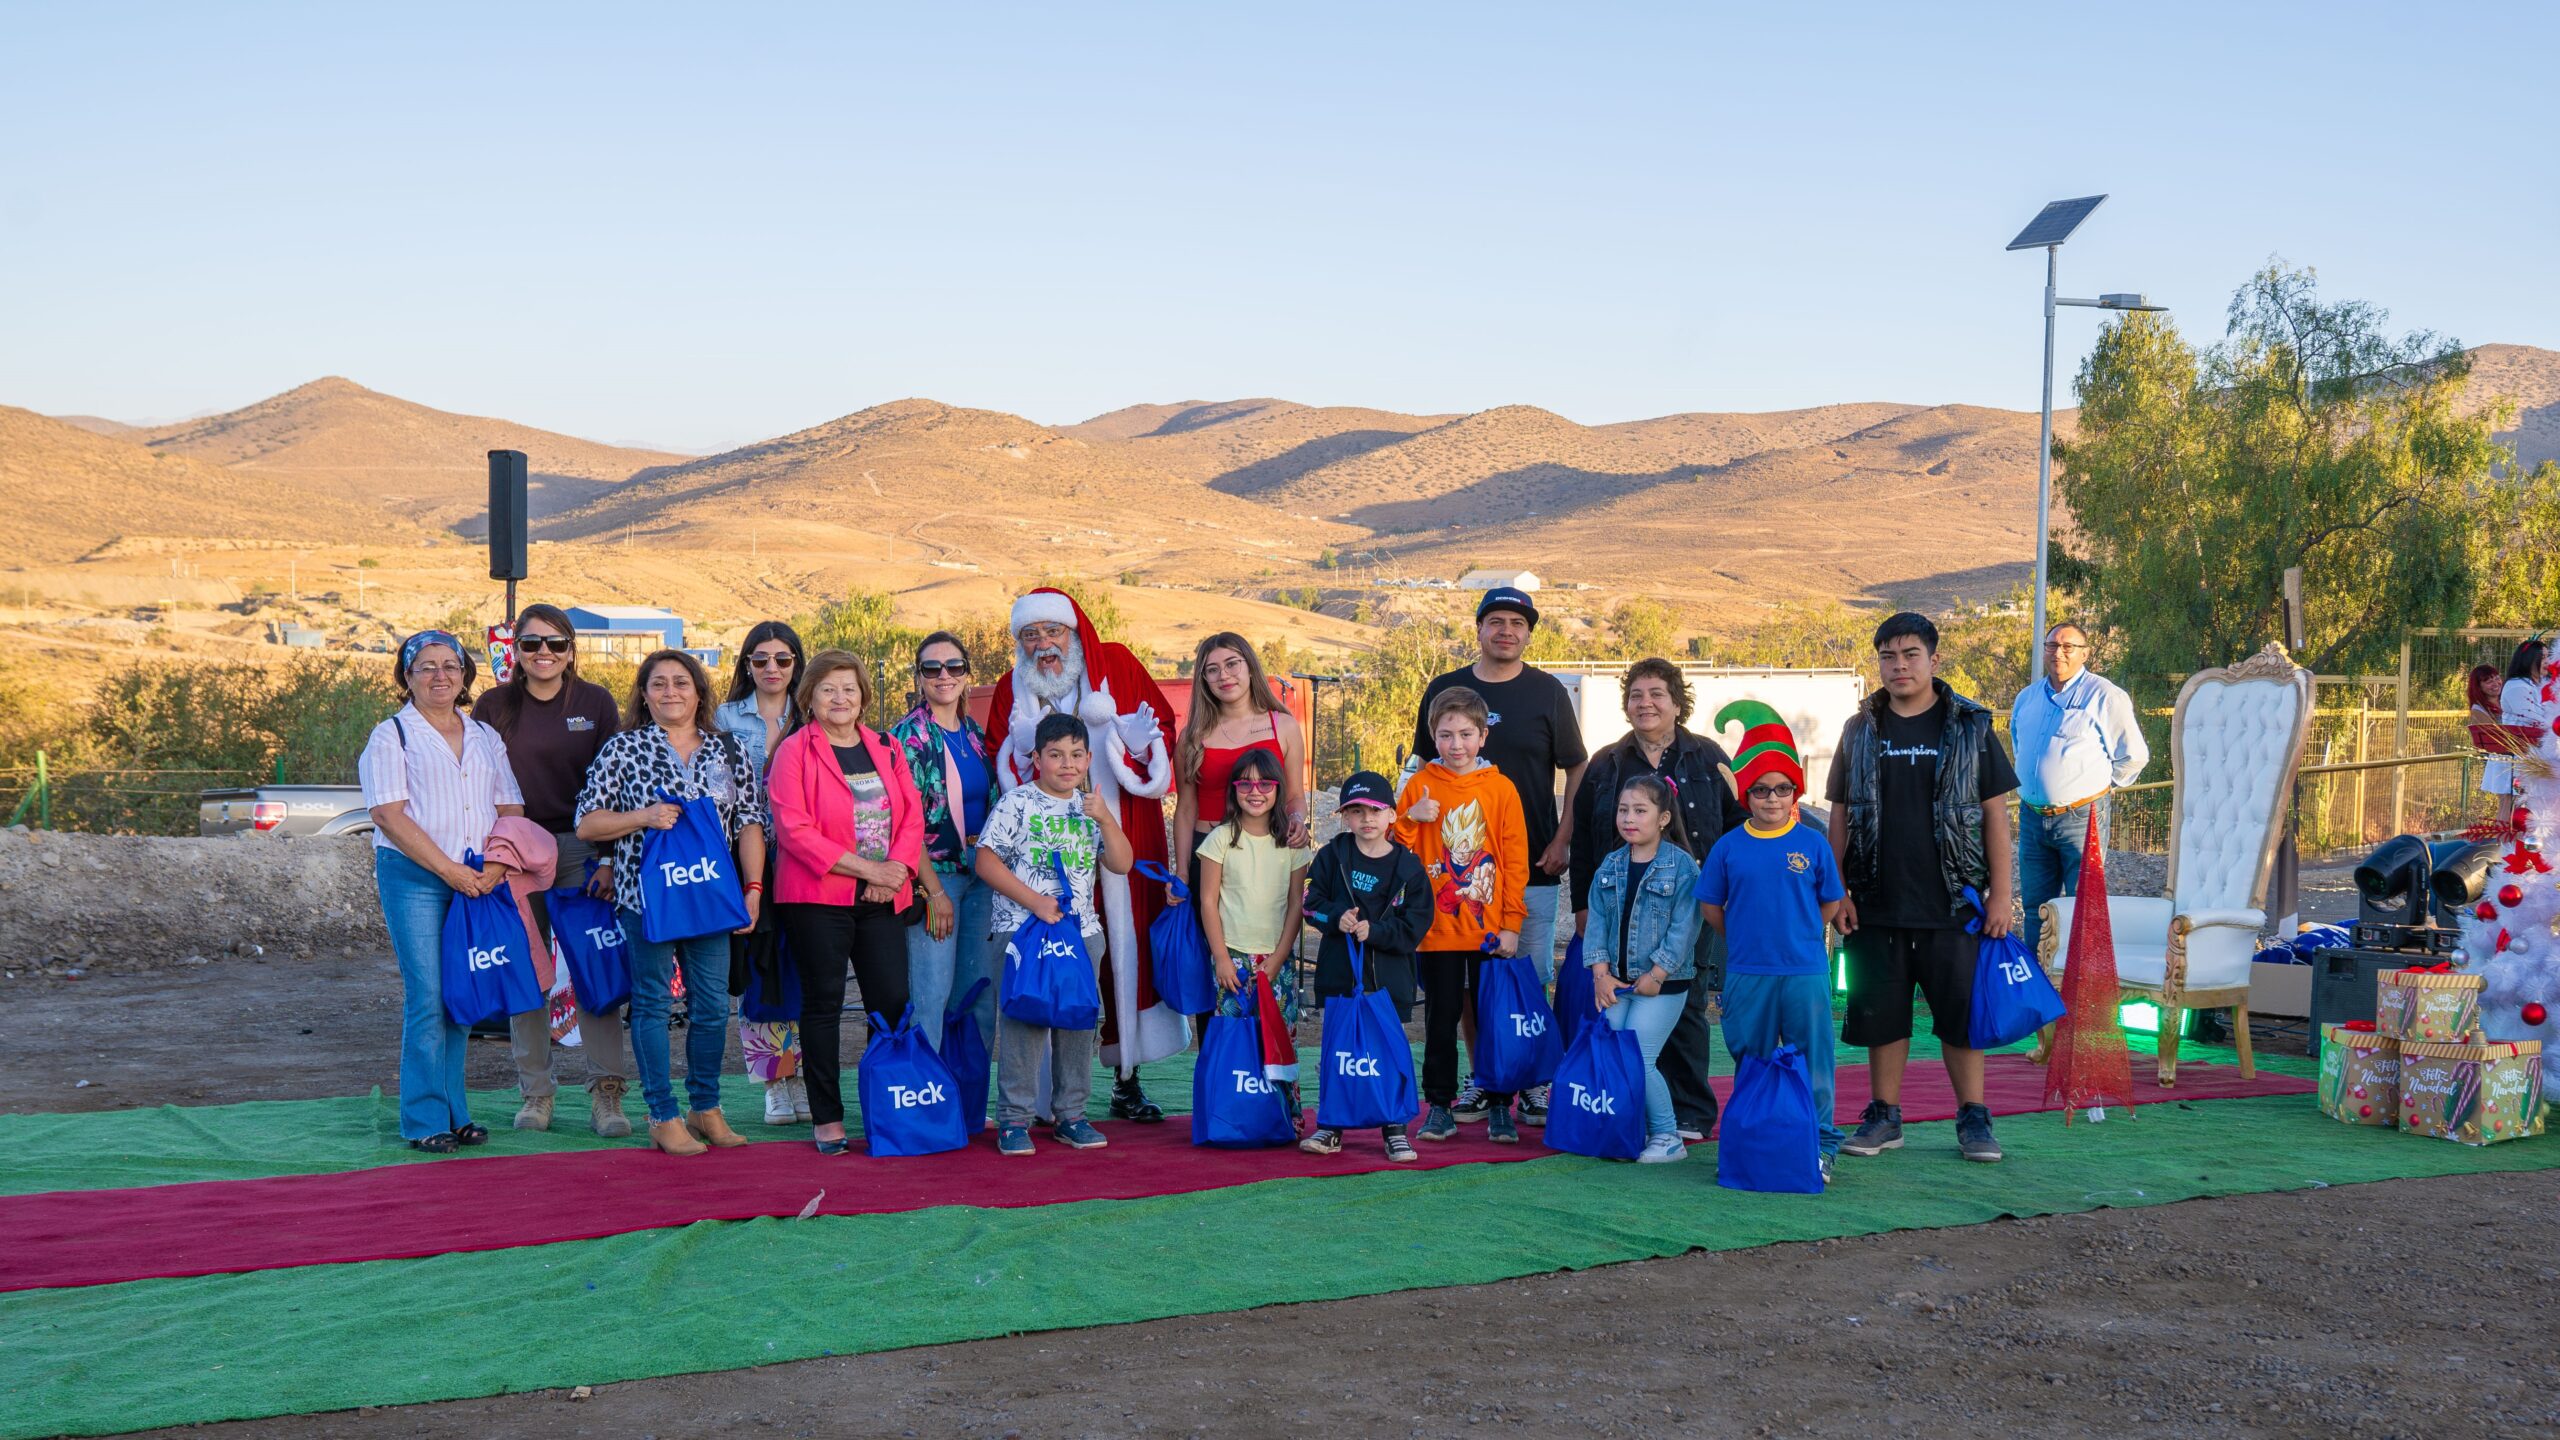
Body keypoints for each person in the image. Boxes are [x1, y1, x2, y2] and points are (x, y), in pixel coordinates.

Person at [983, 587, 1185, 1123]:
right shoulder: (1012, 687)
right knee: (1050, 965)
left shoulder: (1116, 662)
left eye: (1053, 631)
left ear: (1074, 633)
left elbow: (1159, 731)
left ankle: (1126, 1077)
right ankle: (1044, 1098)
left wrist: (1137, 743)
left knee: (1120, 950)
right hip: (1042, 855)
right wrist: (1021, 752)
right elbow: (996, 756)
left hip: (1114, 828)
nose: (1044, 645)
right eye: (1031, 635)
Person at [1825, 612, 2019, 1165]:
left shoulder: (1970, 727)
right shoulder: (1859, 729)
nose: (1899, 666)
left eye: (1910, 654)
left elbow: (1995, 818)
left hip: (1954, 901)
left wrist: (2001, 895)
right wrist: (1839, 890)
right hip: (1875, 899)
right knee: (1880, 1013)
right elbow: (1839, 814)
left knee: (1960, 1014)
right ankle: (1884, 1116)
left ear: (1934, 660)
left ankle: (1974, 1118)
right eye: (1888, 656)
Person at [575, 649, 768, 1157]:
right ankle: (662, 1114)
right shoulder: (622, 750)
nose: (670, 692)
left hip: (710, 898)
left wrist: (753, 889)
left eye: (681, 683)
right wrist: (643, 816)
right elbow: (588, 823)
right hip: (645, 901)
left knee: (710, 1007)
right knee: (654, 1004)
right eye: (658, 684)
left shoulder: (727, 749)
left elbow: (750, 821)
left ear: (699, 692)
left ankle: (706, 1108)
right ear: (643, 694)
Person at [1409, 586, 1586, 1127]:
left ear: (1529, 632)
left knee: (1523, 979)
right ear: (1480, 628)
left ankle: (1529, 1081)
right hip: (1450, 888)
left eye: (1517, 622)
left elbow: (1575, 767)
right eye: (1496, 621)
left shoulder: (1548, 692)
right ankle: (1483, 1081)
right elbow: (1418, 771)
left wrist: (1562, 838)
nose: (1506, 630)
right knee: (1460, 991)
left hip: (1529, 865)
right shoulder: (1445, 688)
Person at [358, 630, 526, 1153]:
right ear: (407, 678)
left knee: (462, 997)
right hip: (416, 879)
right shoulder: (392, 736)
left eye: (450, 665)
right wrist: (448, 870)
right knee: (428, 996)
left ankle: (457, 1113)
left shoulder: (484, 737)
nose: (440, 675)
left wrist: (496, 866)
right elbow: (388, 814)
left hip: (478, 879)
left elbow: (511, 807)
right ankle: (424, 1118)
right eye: (426, 666)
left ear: (464, 675)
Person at [469, 603, 633, 1137]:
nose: (544, 653)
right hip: (516, 849)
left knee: (593, 969)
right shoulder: (493, 706)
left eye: (555, 644)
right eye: (532, 644)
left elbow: (617, 784)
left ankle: (606, 1092)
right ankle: (536, 1092)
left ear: (571, 650)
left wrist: (608, 857)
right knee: (527, 971)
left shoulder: (595, 702)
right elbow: (475, 784)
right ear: (514, 651)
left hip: (584, 848)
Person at [1569, 657, 1748, 1142]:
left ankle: (1689, 1111)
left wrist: (1731, 895)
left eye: (1656, 694)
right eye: (1636, 695)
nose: (1645, 703)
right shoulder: (1605, 762)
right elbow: (1585, 841)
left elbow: (1737, 828)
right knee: (1622, 1005)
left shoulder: (1709, 756)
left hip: (1692, 901)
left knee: (1684, 1002)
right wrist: (1583, 909)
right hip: (1618, 900)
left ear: (1676, 702)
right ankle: (1628, 1107)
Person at [767, 649, 927, 1156]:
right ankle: (828, 1118)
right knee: (823, 1005)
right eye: (829, 689)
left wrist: (894, 871)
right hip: (817, 898)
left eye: (850, 689)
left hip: (883, 895)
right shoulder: (795, 751)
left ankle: (890, 1107)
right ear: (809, 697)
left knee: (892, 1002)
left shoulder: (887, 747)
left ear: (863, 697)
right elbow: (794, 830)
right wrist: (868, 870)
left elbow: (912, 818)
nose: (840, 698)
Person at [1696, 710, 1847, 1183]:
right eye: (1760, 789)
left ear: (1795, 792)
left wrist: (1798, 934)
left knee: (1813, 1059)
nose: (1772, 798)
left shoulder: (1813, 842)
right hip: (1747, 972)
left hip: (1803, 971)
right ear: (1747, 795)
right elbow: (1711, 908)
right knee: (1752, 1058)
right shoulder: (1727, 847)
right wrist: (1745, 940)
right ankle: (1752, 1137)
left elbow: (1828, 902)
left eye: (1782, 788)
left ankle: (1819, 1144)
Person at [976, 713, 1134, 1157]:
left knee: (1077, 1021)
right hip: (1023, 932)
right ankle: (1013, 1119)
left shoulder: (1091, 807)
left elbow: (1121, 863)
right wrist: (1035, 902)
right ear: (1037, 758)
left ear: (1088, 760)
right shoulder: (1017, 803)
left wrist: (1105, 819)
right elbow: (986, 862)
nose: (1067, 764)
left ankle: (1072, 1115)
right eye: (1056, 755)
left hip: (1081, 934)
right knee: (1024, 1021)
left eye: (1077, 755)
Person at [1396, 686, 1530, 1144]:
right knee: (1439, 1018)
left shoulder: (1501, 788)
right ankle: (1439, 1105)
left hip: (1489, 932)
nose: (1456, 745)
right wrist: (1412, 817)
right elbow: (1393, 852)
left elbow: (1514, 861)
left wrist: (1512, 923)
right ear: (1433, 736)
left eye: (1466, 734)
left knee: (1493, 1020)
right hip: (1436, 931)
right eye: (1446, 735)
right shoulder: (1420, 785)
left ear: (1483, 736)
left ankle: (1499, 1104)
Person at [1300, 769, 1434, 1161]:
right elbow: (1310, 904)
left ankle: (1394, 1129)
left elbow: (1415, 926)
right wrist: (1336, 917)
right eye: (1356, 811)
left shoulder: (1409, 868)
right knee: (1338, 1053)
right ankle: (1331, 1127)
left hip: (1390, 982)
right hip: (1339, 976)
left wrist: (1375, 932)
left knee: (1389, 1053)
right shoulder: (1331, 856)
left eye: (1375, 809)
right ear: (1345, 817)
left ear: (1393, 815)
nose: (1367, 819)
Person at [713, 621, 809, 1126]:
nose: (772, 668)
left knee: (807, 972)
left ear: (797, 663)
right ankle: (776, 1084)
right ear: (746, 664)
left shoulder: (816, 713)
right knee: (761, 976)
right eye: (761, 659)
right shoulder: (723, 718)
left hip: (811, 863)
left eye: (783, 659)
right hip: (746, 861)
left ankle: (806, 1081)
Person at [2007, 622, 2149, 959]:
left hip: (2082, 818)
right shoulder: (2026, 699)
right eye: (2052, 645)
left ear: (2085, 653)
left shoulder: (2105, 696)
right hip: (2032, 817)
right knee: (2034, 908)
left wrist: (2100, 786)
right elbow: (2018, 744)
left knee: (2084, 908)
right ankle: (2037, 989)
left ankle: (2082, 994)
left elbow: (2135, 755)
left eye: (2069, 646)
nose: (2059, 653)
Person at [1582, 775, 1703, 1164]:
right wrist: (1600, 974)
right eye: (1623, 810)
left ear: (1664, 817)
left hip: (1662, 984)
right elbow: (1597, 921)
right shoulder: (1611, 864)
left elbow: (1685, 928)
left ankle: (1668, 1136)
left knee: (1636, 1053)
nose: (1628, 818)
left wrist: (1656, 975)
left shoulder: (1681, 867)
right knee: (1615, 1044)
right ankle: (1630, 1127)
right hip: (1618, 980)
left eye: (1639, 810)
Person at [888, 631, 999, 1055]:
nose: (943, 676)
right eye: (932, 668)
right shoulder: (907, 737)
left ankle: (965, 1098)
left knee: (975, 994)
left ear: (967, 674)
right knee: (931, 994)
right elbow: (905, 823)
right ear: (919, 678)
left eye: (953, 666)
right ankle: (926, 1100)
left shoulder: (972, 732)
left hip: (981, 872)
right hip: (936, 876)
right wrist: (933, 892)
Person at [1196, 748, 1312, 1118]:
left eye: (1265, 782)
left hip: (1277, 961)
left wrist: (1278, 959)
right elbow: (1208, 901)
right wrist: (1222, 959)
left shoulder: (1293, 845)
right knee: (1236, 1039)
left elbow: (1297, 905)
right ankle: (1234, 1113)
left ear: (1279, 788)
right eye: (1245, 783)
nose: (1255, 790)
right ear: (1233, 789)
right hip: (1234, 962)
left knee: (1280, 1036)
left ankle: (1283, 1115)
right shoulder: (1220, 839)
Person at [1172, 632, 1310, 883]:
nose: (1224, 675)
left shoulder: (1284, 726)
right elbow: (1185, 809)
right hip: (1209, 852)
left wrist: (1297, 820)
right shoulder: (1191, 737)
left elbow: (1295, 797)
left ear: (1250, 666)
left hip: (1268, 849)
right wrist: (1182, 870)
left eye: (1232, 664)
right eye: (1212, 670)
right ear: (1204, 679)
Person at [2498, 641, 2548, 825]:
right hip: (2521, 758)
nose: (2548, 661)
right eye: (2543, 657)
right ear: (2529, 660)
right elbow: (2536, 720)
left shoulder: (2536, 685)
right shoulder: (2517, 687)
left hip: (2535, 756)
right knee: (2520, 808)